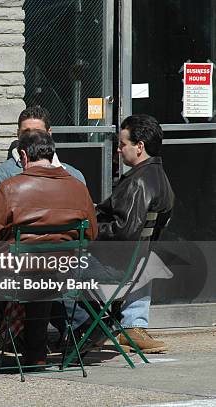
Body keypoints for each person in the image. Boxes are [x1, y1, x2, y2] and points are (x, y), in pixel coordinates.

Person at [0, 129, 98, 374]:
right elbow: (91, 234)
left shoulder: (10, 188)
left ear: (24, 156)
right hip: (62, 277)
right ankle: (36, 354)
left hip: (17, 277)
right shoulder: (78, 187)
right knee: (44, 272)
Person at [96, 114, 174, 353]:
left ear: (139, 147)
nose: (119, 150)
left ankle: (90, 328)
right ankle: (131, 326)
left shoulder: (138, 182)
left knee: (56, 264)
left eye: (122, 144)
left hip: (119, 265)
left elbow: (122, 233)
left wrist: (88, 229)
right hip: (141, 262)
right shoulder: (160, 178)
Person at [0, 106, 85, 205]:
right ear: (18, 134)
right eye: (26, 132)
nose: (31, 137)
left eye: (38, 132)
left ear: (49, 133)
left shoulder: (74, 175)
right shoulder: (2, 175)